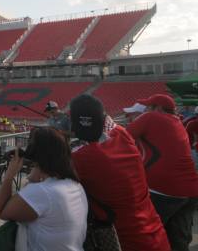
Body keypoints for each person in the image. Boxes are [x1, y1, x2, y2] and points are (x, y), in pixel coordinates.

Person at [70, 94, 170, 251]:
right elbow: (110, 126)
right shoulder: (123, 136)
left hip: (127, 243)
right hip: (156, 236)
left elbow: (45, 171)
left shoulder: (81, 158)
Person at [0, 127, 88, 251]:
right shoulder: (75, 185)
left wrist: (9, 175)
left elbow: (0, 211)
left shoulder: (43, 192)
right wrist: (36, 175)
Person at [127, 93, 198, 251]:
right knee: (179, 241)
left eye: (149, 107)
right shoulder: (178, 122)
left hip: (164, 190)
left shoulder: (151, 117)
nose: (146, 111)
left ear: (157, 109)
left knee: (150, 239)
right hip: (191, 190)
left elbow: (121, 137)